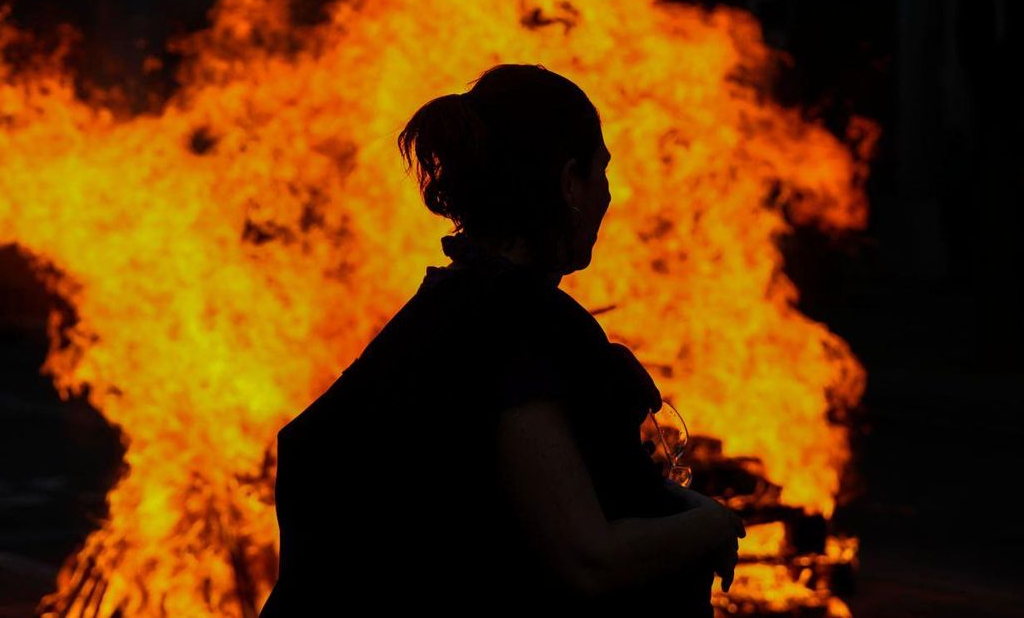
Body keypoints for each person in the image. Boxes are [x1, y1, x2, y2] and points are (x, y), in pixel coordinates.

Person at [261, 64, 744, 616]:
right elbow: (588, 559)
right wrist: (710, 525)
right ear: (569, 183)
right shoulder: (508, 326)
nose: (608, 194)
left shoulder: (450, 308)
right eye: (600, 172)